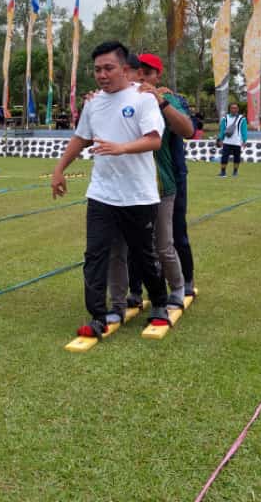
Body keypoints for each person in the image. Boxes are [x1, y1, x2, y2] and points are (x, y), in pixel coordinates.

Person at [51, 41, 169, 338]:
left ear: (125, 69)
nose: (102, 75)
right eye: (97, 70)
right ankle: (98, 316)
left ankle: (159, 303)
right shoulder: (93, 103)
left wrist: (121, 148)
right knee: (95, 255)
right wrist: (59, 169)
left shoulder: (143, 99)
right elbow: (81, 138)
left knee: (143, 255)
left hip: (138, 195)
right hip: (101, 194)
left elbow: (154, 139)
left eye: (108, 68)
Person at [138, 53, 195, 308]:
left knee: (174, 233)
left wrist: (161, 100)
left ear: (157, 76)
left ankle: (185, 281)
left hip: (172, 176)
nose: (142, 78)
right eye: (138, 72)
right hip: (142, 179)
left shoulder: (171, 99)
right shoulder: (128, 98)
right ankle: (147, 287)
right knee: (143, 240)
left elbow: (189, 130)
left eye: (148, 73)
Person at [217, 102, 247, 177]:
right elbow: (222, 130)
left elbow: (244, 130)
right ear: (229, 109)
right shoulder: (225, 118)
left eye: (235, 108)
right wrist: (220, 139)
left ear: (238, 109)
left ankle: (235, 172)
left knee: (237, 158)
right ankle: (223, 172)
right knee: (224, 157)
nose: (234, 109)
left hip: (237, 142)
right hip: (227, 141)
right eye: (232, 108)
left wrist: (244, 140)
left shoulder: (242, 119)